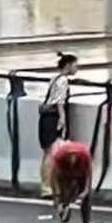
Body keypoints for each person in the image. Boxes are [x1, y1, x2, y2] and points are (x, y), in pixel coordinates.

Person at [39, 53, 78, 193]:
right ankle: (48, 186)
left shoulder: (54, 78)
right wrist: (62, 119)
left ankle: (46, 184)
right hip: (53, 118)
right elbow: (60, 101)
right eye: (75, 65)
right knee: (52, 152)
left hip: (45, 117)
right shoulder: (63, 81)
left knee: (47, 152)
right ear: (68, 65)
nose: (76, 68)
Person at [45, 138, 95, 223]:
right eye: (70, 156)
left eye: (74, 156)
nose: (72, 159)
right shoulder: (59, 157)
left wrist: (85, 191)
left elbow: (89, 175)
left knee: (86, 198)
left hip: (81, 172)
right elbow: (53, 178)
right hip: (64, 174)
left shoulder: (85, 155)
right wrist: (56, 198)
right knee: (64, 198)